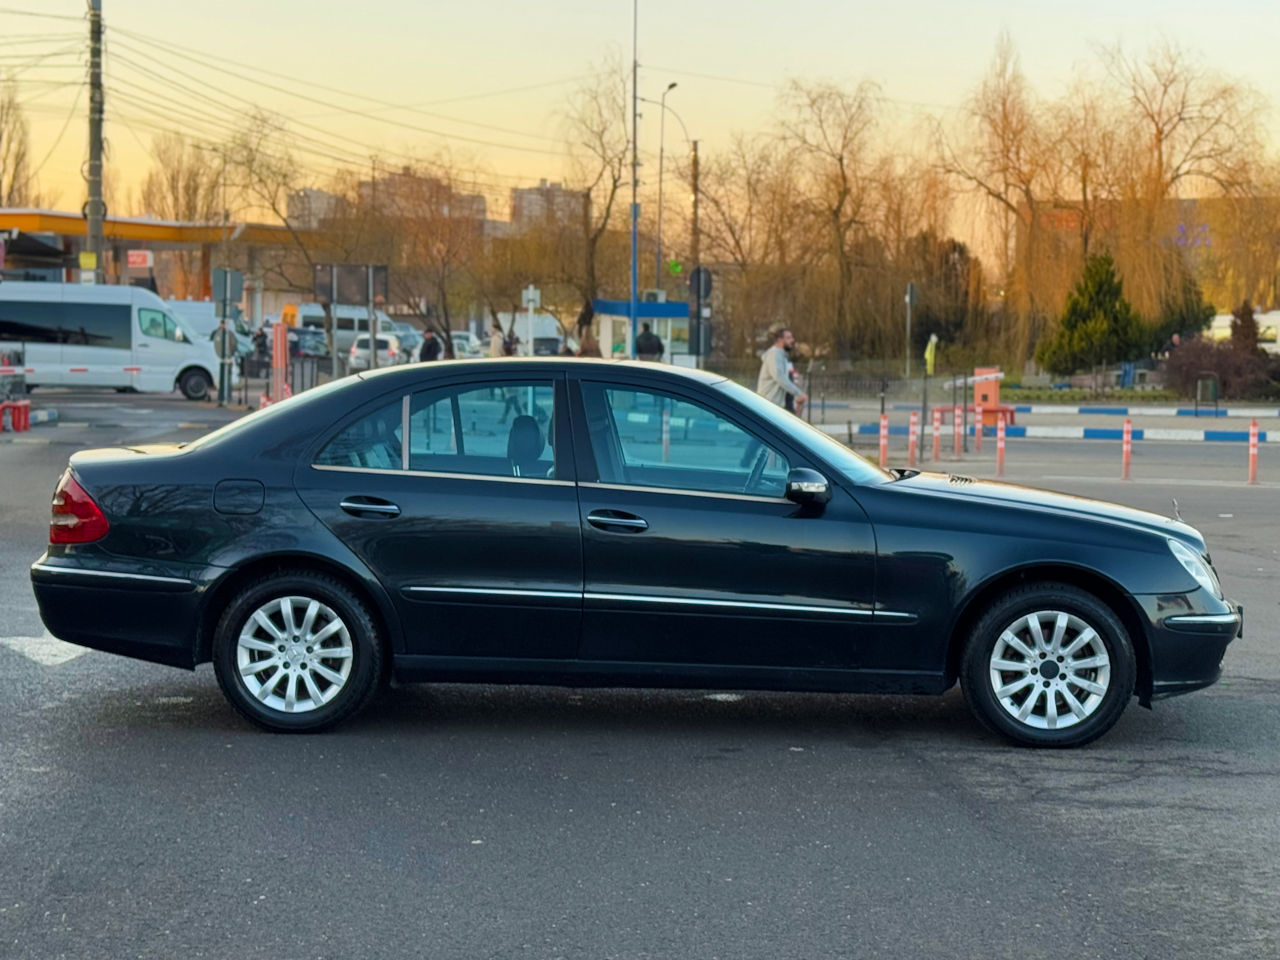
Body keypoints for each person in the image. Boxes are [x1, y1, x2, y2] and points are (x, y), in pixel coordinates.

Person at [756, 327, 806, 411]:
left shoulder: (782, 356)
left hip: (775, 405)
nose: (792, 340)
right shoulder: (775, 354)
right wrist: (798, 394)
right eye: (788, 338)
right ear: (780, 340)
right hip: (768, 405)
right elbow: (780, 377)